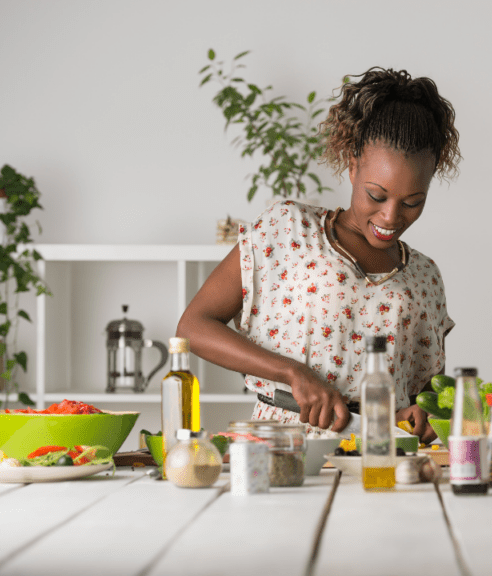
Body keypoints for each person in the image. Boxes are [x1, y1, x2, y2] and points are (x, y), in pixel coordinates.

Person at [177, 67, 461, 443]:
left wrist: (418, 415)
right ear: (353, 164)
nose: (391, 217)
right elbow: (193, 327)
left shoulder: (425, 277)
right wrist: (294, 373)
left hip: (380, 453)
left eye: (412, 202)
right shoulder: (286, 229)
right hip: (284, 448)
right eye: (376, 196)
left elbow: (423, 396)